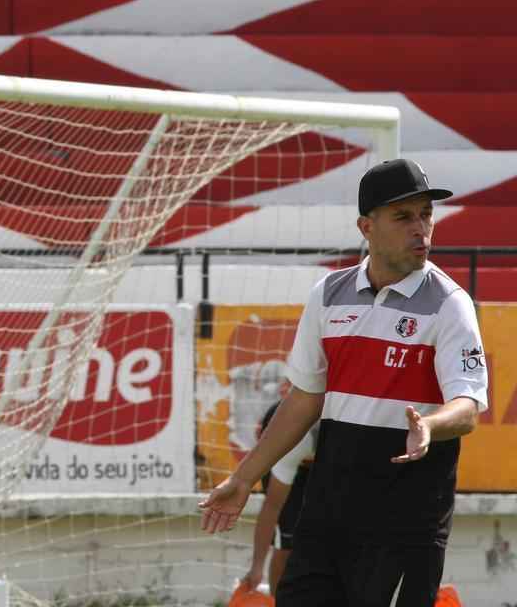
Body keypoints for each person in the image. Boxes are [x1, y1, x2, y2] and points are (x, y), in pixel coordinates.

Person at [200, 158, 489, 607]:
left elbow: (468, 405)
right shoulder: (328, 295)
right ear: (366, 227)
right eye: (403, 216)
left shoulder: (450, 304)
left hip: (404, 524)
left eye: (426, 215)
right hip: (327, 518)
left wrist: (430, 426)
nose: (421, 229)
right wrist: (243, 479)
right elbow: (303, 400)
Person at [242, 389, 317, 596]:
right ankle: (277, 599)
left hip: (315, 455)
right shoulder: (294, 439)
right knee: (286, 541)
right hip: (289, 447)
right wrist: (257, 567)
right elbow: (272, 506)